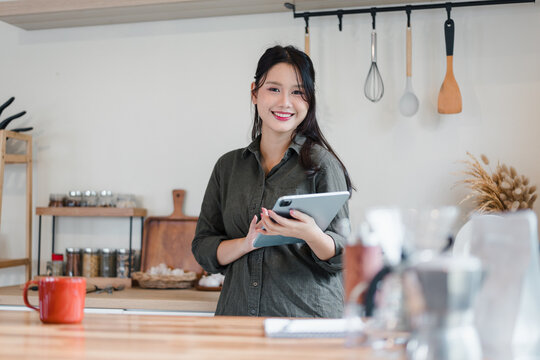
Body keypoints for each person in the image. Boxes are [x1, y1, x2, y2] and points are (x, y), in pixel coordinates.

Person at [192, 45, 353, 318]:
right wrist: (246, 243)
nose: (285, 103)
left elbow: (343, 256)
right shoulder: (228, 167)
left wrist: (310, 234)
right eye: (274, 89)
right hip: (237, 319)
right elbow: (204, 248)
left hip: (305, 323)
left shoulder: (323, 165)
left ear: (309, 100)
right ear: (255, 92)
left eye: (298, 92)